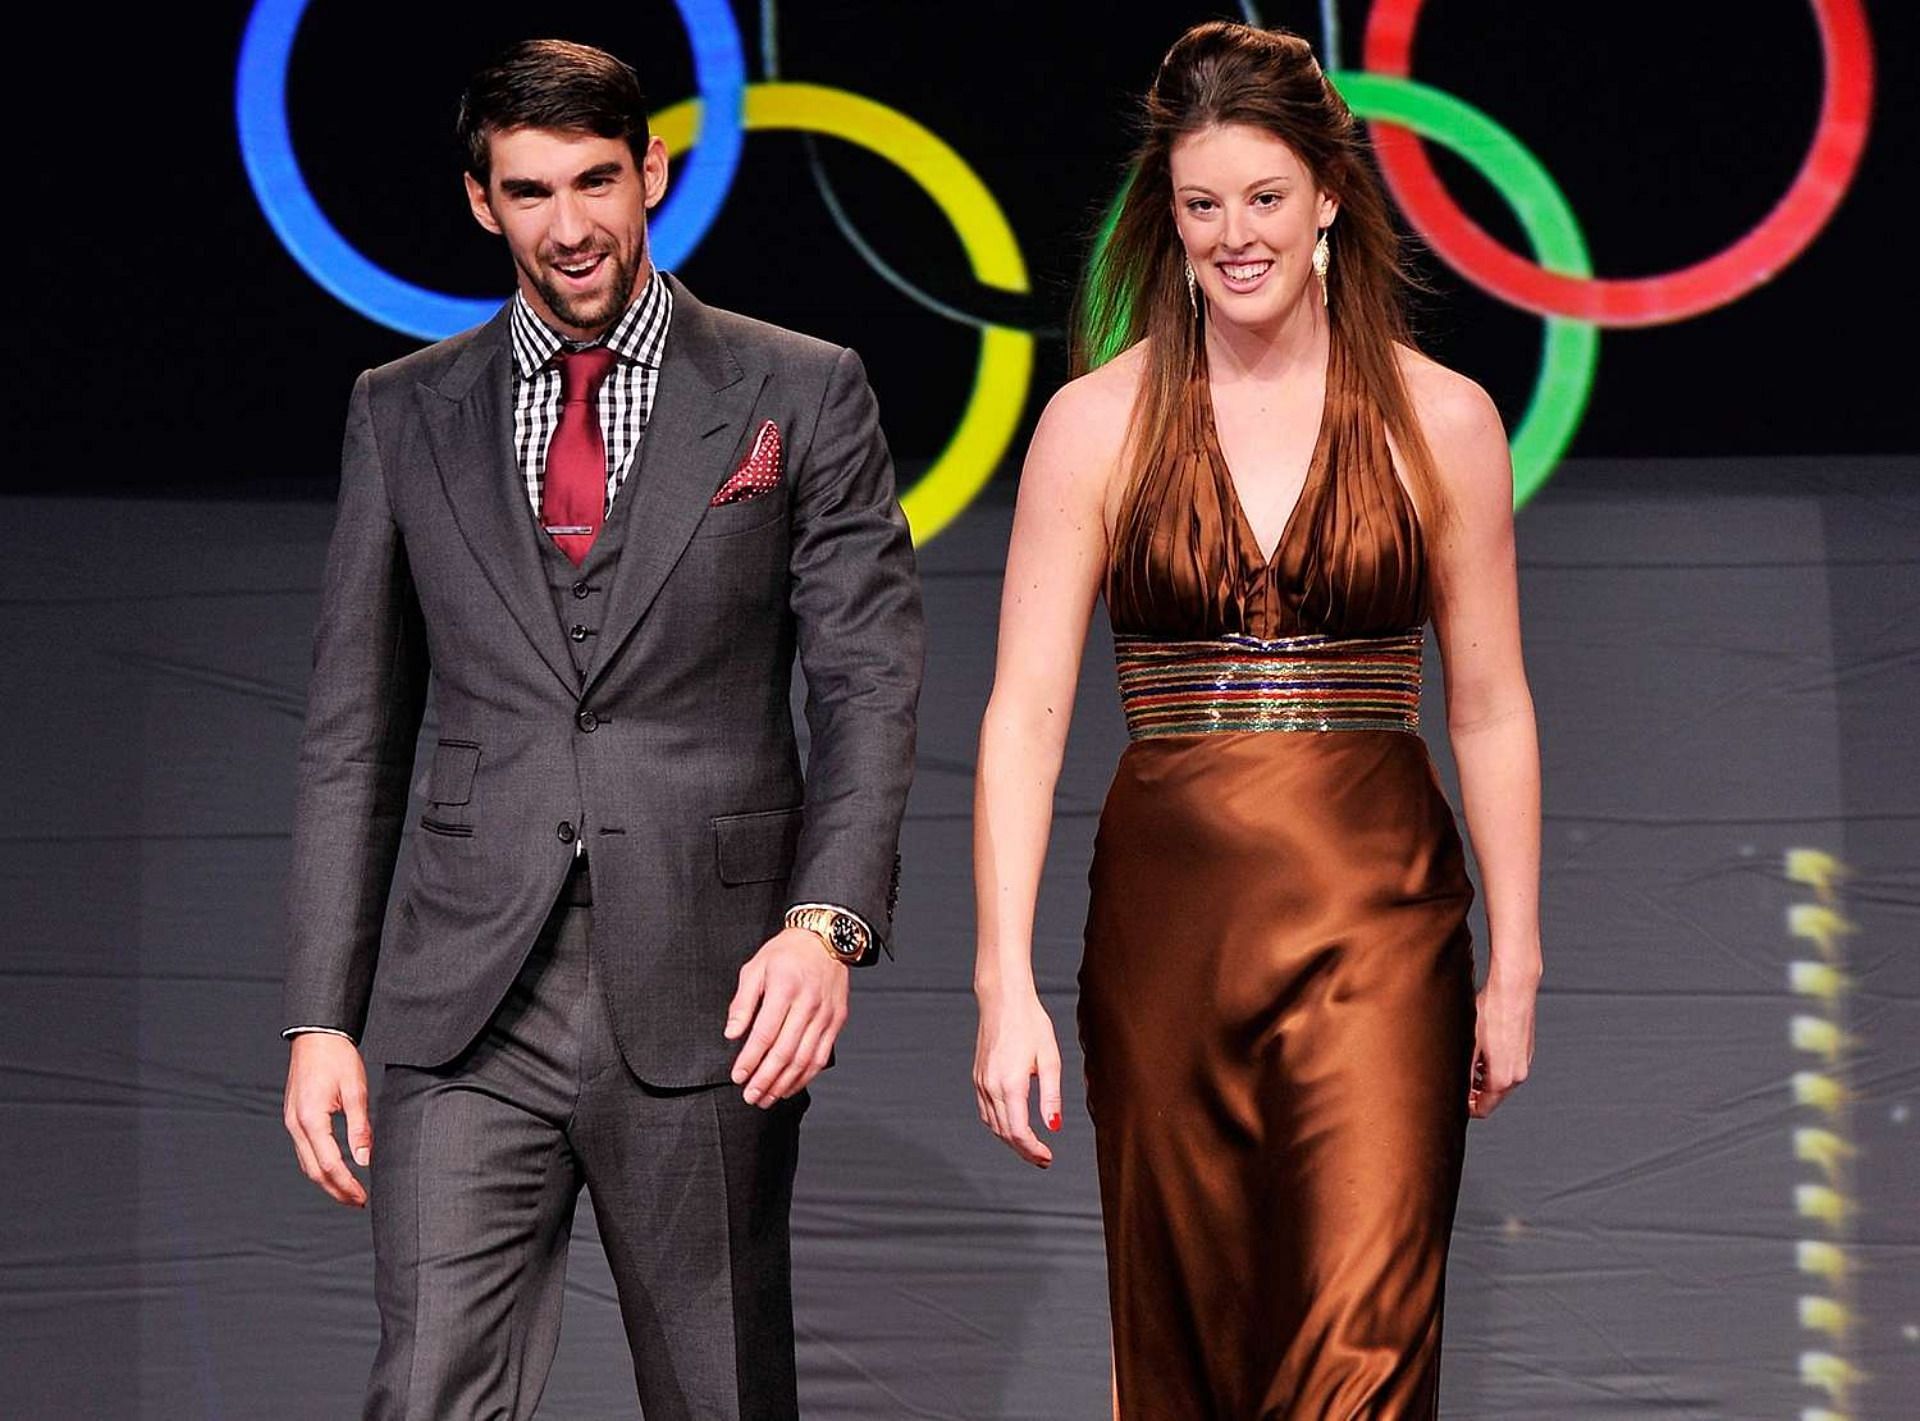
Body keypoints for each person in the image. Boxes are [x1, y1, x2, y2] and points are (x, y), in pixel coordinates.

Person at [278, 38, 923, 1420]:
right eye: (528, 191)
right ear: (479, 203)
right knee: (428, 1390)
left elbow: (866, 679)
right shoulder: (401, 413)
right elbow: (353, 728)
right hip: (465, 997)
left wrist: (827, 925)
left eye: (595, 181)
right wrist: (319, 1017)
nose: (569, 225)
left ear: (655, 174)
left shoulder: (798, 389)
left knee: (717, 1393)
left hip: (707, 984)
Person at [971, 20, 1540, 1417]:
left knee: (1367, 1342)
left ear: (1330, 196)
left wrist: (1516, 960)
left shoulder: (1442, 418)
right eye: (1202, 203)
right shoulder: (1096, 426)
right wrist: (1002, 984)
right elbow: (1025, 716)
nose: (1236, 235)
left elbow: (1492, 702)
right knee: (1185, 1346)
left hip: (1385, 922)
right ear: (1167, 217)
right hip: (1167, 929)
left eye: (1266, 198)